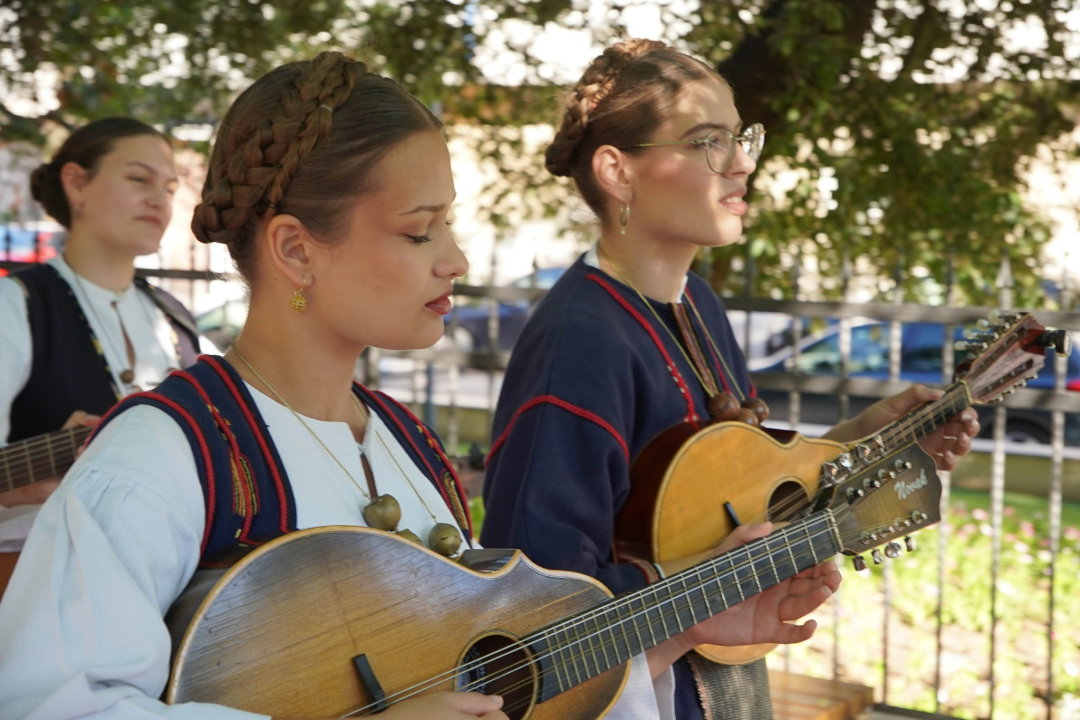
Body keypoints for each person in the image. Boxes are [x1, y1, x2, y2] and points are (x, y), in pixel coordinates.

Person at [0, 52, 839, 720]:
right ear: (295, 250)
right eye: (418, 231)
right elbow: (53, 704)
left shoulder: (407, 446)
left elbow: (493, 684)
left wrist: (678, 628)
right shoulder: (164, 456)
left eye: (449, 224)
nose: (455, 260)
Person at [479, 39, 980, 720]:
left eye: (742, 137)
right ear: (618, 172)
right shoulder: (579, 344)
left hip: (726, 693)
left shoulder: (698, 305)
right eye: (708, 141)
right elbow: (538, 612)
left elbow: (730, 503)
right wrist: (695, 598)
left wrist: (863, 440)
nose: (744, 163)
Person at [0, 118, 204, 560]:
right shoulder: (15, 305)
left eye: (169, 189)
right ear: (76, 184)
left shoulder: (172, 316)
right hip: (47, 573)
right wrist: (21, 489)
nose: (159, 200)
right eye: (139, 179)